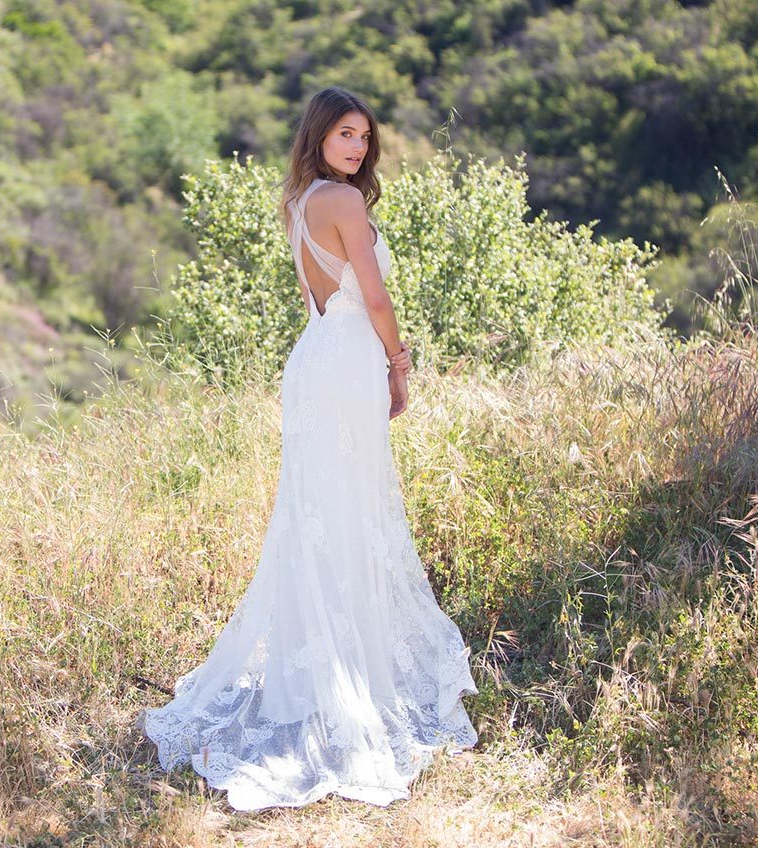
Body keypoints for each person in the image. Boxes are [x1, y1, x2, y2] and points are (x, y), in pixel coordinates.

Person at [138, 86, 479, 811]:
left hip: (315, 359)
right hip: (351, 357)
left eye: (364, 137)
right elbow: (376, 300)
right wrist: (399, 364)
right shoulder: (346, 205)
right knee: (349, 513)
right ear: (319, 136)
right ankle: (343, 679)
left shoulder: (298, 202)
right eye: (345, 135)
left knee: (318, 516)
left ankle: (314, 676)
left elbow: (316, 300)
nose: (357, 148)